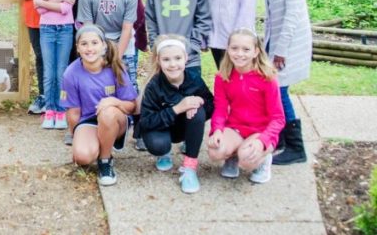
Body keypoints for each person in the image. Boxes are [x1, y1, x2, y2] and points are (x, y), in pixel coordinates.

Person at [258, 0, 312, 165]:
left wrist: (280, 50)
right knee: (272, 90)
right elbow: (270, 13)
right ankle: (278, 138)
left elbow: (293, 13)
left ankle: (296, 147)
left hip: (290, 42)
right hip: (273, 40)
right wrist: (265, 43)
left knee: (280, 91)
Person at [61, 25, 138, 186]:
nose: (89, 48)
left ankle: (105, 160)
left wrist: (114, 102)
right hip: (89, 120)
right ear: (78, 48)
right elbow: (74, 112)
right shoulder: (71, 73)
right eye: (84, 44)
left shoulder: (116, 67)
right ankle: (99, 142)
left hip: (116, 119)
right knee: (82, 157)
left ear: (103, 45)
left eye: (94, 43)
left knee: (107, 113)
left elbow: (133, 106)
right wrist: (78, 138)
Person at [207, 28, 285, 184]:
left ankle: (263, 160)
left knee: (247, 159)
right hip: (236, 127)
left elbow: (278, 118)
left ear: (256, 52)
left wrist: (263, 140)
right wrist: (217, 130)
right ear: (228, 49)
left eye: (246, 49)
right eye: (234, 48)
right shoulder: (222, 77)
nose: (239, 54)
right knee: (215, 151)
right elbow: (221, 108)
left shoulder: (267, 78)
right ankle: (232, 155)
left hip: (261, 130)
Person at [139, 35, 214, 194]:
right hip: (161, 128)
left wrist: (199, 100)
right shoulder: (154, 85)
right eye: (166, 59)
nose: (173, 64)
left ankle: (189, 167)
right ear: (159, 61)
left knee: (197, 110)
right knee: (159, 145)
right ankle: (164, 153)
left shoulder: (194, 79)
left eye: (177, 58)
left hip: (183, 126)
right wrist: (177, 108)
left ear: (186, 58)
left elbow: (211, 105)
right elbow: (145, 122)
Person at [76, 0, 137, 88]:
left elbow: (127, 28)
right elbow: (89, 29)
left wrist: (116, 57)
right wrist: (99, 53)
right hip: (98, 43)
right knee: (99, 84)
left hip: (123, 43)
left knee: (128, 85)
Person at [34, 0, 76, 130]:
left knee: (61, 72)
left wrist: (45, 2)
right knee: (49, 72)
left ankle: (60, 111)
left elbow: (66, 9)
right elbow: (40, 9)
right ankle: (49, 111)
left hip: (65, 28)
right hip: (47, 29)